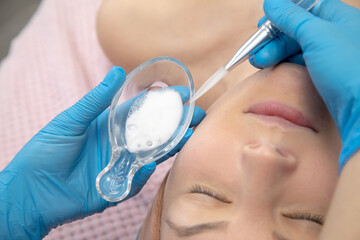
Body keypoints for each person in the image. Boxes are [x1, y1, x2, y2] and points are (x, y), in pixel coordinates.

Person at [0, 0, 359, 239]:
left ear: (167, 176)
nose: (263, 158)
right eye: (308, 220)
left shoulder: (148, 28)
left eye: (209, 195)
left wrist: (11, 212)